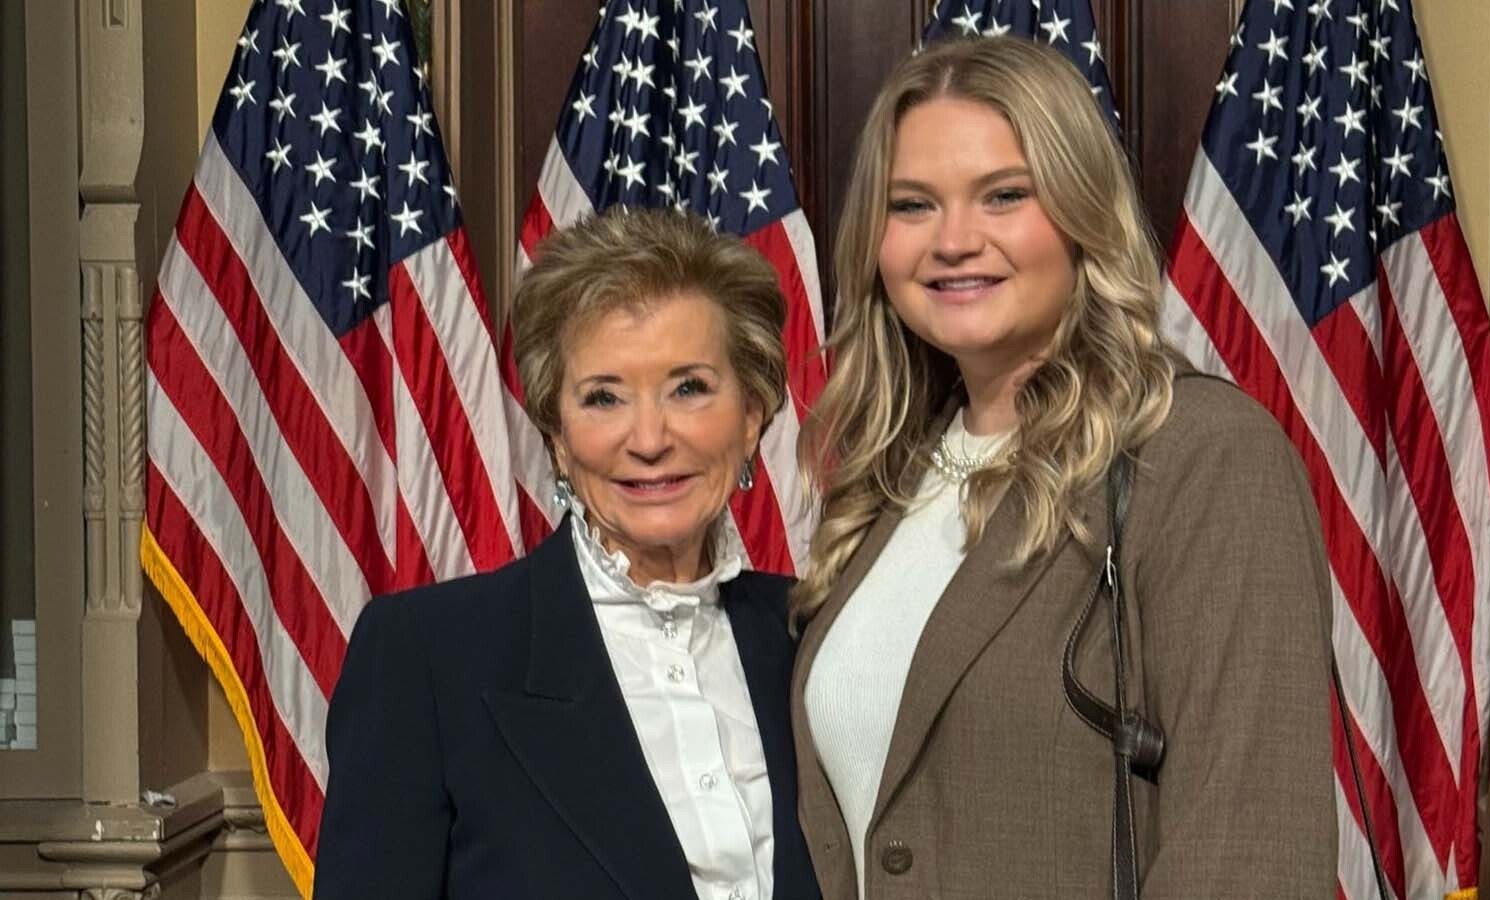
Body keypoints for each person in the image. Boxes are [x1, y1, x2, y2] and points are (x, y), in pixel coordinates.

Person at [791, 37, 1336, 899]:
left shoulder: (1201, 454)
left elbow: (1250, 849)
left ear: (1083, 211)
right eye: (912, 205)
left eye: (1005, 195)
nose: (954, 240)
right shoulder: (888, 479)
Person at [315, 208, 821, 900]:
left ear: (752, 415)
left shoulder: (809, 635)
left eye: (689, 388)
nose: (649, 439)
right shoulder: (427, 656)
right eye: (603, 398)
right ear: (556, 436)